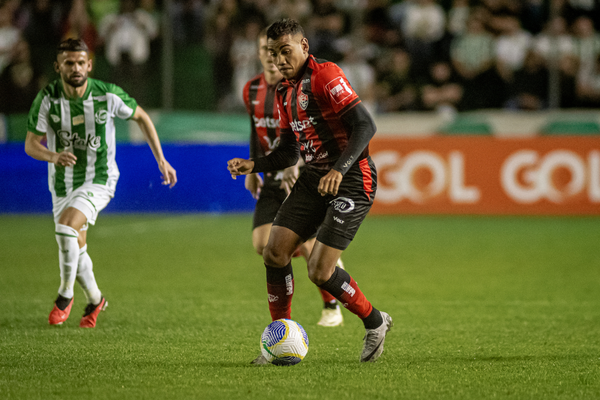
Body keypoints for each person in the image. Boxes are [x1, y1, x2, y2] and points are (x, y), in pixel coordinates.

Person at [228, 18, 392, 364]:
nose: (278, 60)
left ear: (304, 47)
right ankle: (278, 337)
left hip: (352, 179)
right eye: (273, 54)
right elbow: (289, 150)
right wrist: (253, 164)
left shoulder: (326, 75)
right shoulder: (285, 91)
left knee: (319, 270)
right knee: (273, 252)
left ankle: (375, 322)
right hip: (314, 178)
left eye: (285, 51)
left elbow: (366, 124)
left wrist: (338, 169)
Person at [25, 38, 177, 328]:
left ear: (90, 65)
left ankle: (65, 295)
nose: (76, 67)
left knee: (66, 228)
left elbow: (142, 117)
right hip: (61, 183)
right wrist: (53, 156)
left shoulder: (107, 95)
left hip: (100, 179)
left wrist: (161, 159)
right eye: (69, 62)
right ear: (58, 67)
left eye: (81, 62)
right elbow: (31, 145)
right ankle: (95, 301)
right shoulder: (47, 98)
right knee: (74, 243)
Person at [243, 28, 345, 328]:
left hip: (300, 174)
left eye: (277, 51)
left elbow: (307, 130)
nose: (272, 57)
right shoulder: (251, 90)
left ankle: (331, 305)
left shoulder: (297, 86)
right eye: (266, 50)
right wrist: (253, 168)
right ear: (261, 53)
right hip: (272, 175)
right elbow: (255, 128)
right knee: (263, 244)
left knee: (306, 247)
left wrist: (296, 162)